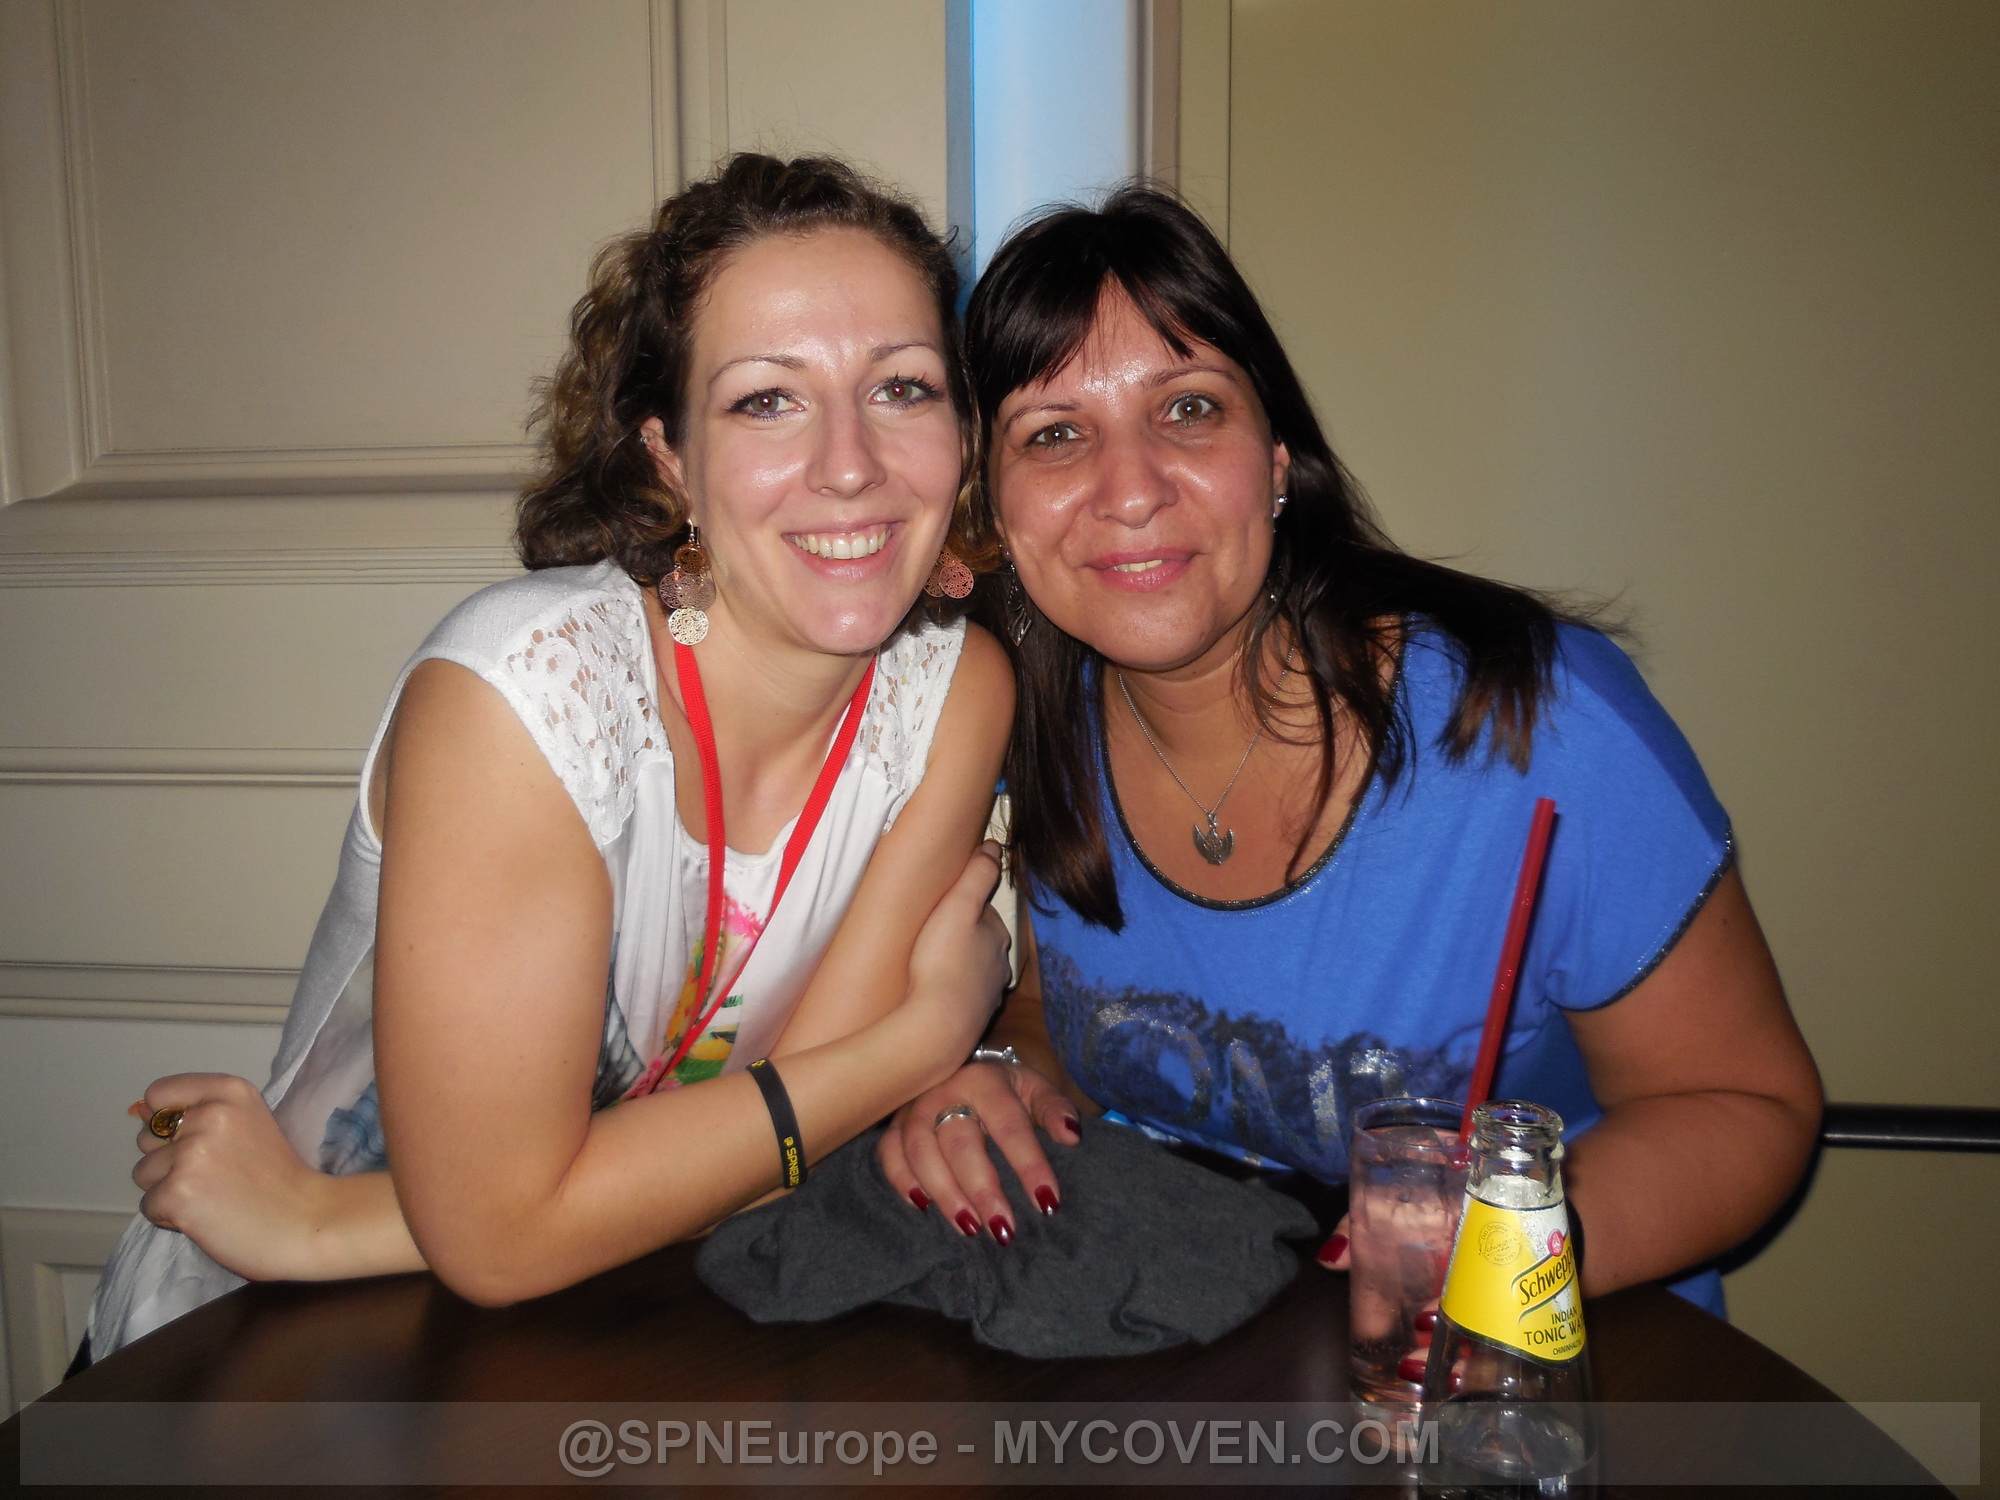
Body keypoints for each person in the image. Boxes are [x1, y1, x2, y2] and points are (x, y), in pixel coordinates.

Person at [85, 154, 1015, 1359]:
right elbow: (529, 1229)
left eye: (900, 388)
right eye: (765, 401)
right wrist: (920, 1038)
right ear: (668, 456)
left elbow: (773, 1155)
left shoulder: (951, 694)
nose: (851, 463)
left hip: (578, 1320)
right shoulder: (524, 698)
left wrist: (331, 1224)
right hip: (269, 1339)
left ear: (961, 435)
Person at [879, 187, 1823, 1316]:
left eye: (1188, 409)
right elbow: (1053, 1012)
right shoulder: (1017, 719)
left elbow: (1744, 1105)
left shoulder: (1537, 720)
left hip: (1529, 1363)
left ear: (1277, 460)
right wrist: (999, 1081)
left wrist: (1503, 1257)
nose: (1128, 490)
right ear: (993, 507)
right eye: (1054, 434)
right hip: (1191, 1342)